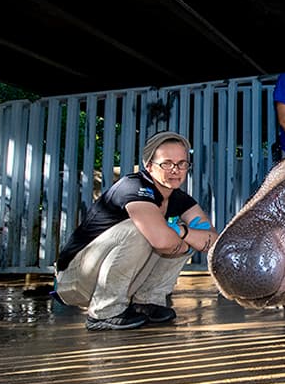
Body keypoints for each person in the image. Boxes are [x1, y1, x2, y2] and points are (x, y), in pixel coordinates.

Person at [54, 131, 218, 331]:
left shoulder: (179, 198)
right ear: (148, 166)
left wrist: (183, 232)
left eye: (182, 163)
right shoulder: (133, 187)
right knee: (142, 230)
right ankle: (105, 311)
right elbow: (161, 241)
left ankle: (146, 303)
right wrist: (183, 236)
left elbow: (212, 239)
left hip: (119, 280)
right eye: (166, 163)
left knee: (183, 237)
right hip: (75, 280)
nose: (175, 170)